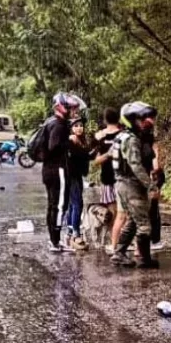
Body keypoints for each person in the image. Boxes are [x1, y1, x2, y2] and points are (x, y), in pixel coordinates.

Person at [110, 101, 160, 269]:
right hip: (130, 184)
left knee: (132, 220)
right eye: (141, 119)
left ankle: (119, 253)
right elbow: (135, 165)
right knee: (144, 224)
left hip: (124, 183)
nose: (145, 122)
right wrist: (150, 185)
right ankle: (145, 259)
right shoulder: (130, 140)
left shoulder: (124, 136)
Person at [43, 92, 84, 253]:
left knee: (54, 206)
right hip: (57, 170)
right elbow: (54, 147)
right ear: (62, 108)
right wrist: (69, 141)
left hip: (50, 170)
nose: (74, 112)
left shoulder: (52, 122)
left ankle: (54, 240)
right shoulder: (58, 125)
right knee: (59, 206)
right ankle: (55, 242)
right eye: (72, 108)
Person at [93, 107, 125, 253]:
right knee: (123, 213)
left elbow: (96, 160)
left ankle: (115, 243)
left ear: (105, 120)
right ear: (118, 118)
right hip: (122, 178)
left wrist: (106, 155)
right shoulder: (124, 135)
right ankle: (120, 242)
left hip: (108, 179)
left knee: (114, 213)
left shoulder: (100, 137)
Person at [65, 117, 92, 250]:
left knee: (72, 204)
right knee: (77, 204)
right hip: (71, 176)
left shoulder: (80, 141)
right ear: (71, 128)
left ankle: (70, 231)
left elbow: (86, 155)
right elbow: (84, 155)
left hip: (76, 176)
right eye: (76, 126)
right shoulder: (70, 141)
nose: (79, 128)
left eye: (81, 125)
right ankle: (76, 233)